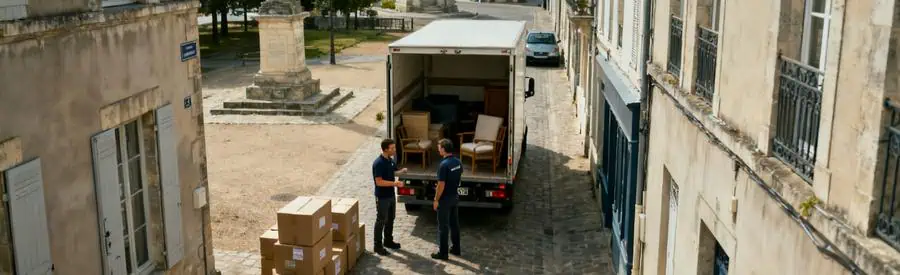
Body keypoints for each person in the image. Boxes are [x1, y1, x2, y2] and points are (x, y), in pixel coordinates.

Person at [372, 138, 407, 256]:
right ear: (385, 149)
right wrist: (395, 184)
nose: (394, 150)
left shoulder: (390, 161)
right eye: (392, 148)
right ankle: (377, 245)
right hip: (382, 197)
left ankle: (388, 240)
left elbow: (393, 172)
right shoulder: (378, 163)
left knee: (391, 218)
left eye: (394, 147)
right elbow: (379, 182)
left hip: (391, 195)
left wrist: (401, 172)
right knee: (381, 220)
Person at [432, 138, 462, 260]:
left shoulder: (443, 165)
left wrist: (436, 199)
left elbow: (441, 185)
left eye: (439, 147)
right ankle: (456, 248)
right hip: (454, 196)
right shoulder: (458, 162)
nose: (438, 149)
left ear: (444, 149)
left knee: (443, 227)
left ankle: (443, 253)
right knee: (454, 224)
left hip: (444, 199)